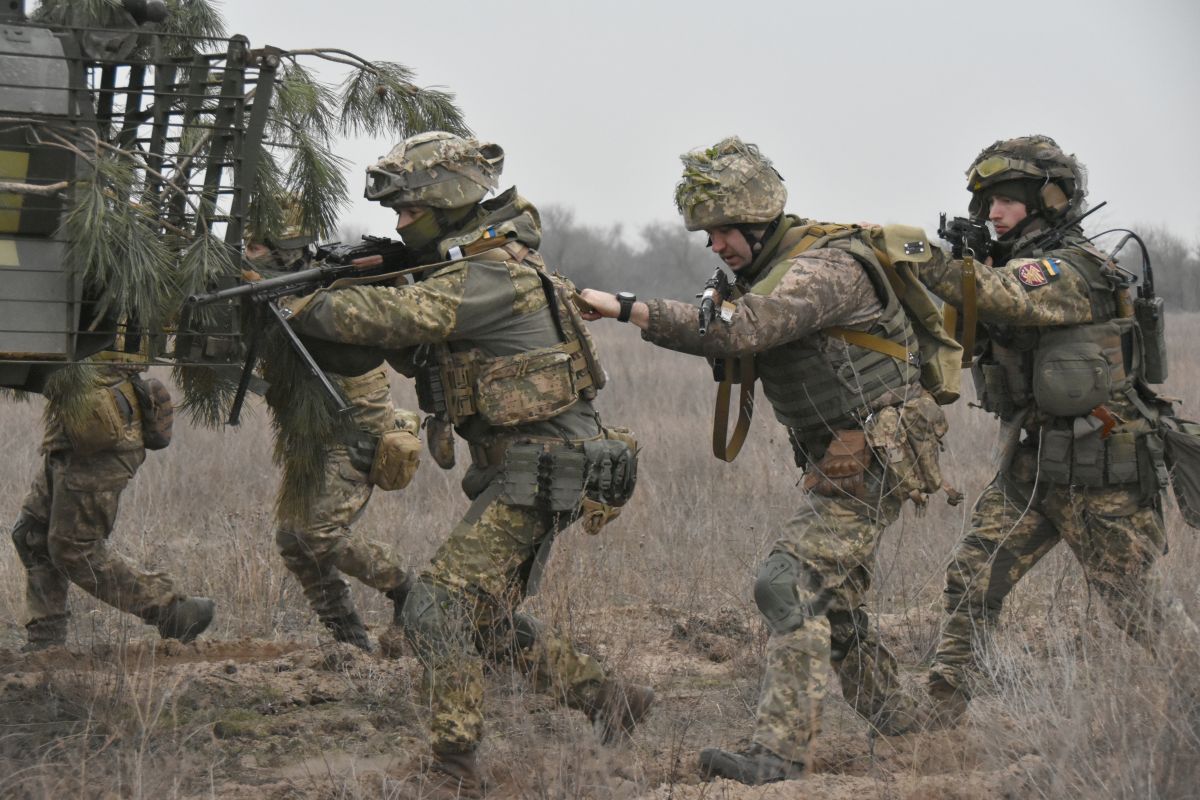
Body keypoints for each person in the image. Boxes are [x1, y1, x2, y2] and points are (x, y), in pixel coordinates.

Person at [281, 131, 651, 797]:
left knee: (435, 606)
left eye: (408, 213)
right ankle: (606, 697)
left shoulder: (491, 274)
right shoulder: (481, 266)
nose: (399, 225)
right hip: (531, 469)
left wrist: (306, 299)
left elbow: (394, 316)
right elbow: (418, 350)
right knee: (482, 619)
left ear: (448, 205)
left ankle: (454, 767)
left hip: (545, 470)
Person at [580, 136, 952, 785]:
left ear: (758, 220)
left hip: (882, 445)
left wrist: (625, 306)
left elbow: (739, 331)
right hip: (842, 451)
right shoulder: (764, 272)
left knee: (788, 582)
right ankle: (899, 721)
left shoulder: (825, 269)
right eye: (707, 234)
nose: (713, 245)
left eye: (722, 231)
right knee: (834, 602)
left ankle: (779, 754)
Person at [919, 135, 1197, 723]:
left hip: (1105, 471)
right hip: (1034, 464)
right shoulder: (1006, 264)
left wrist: (922, 259)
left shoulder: (1072, 269)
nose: (991, 213)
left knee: (1133, 604)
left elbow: (1007, 295)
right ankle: (943, 706)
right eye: (985, 201)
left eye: (1006, 199)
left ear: (1048, 199)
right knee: (972, 575)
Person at [244, 208, 418, 653]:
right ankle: (350, 643)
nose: (248, 254)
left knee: (316, 533)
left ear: (284, 251)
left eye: (257, 246)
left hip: (355, 426)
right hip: (312, 431)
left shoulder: (332, 291)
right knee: (295, 542)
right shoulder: (268, 290)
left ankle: (407, 589)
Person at [10, 357, 214, 650]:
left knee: (74, 548)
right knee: (33, 534)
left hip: (102, 429)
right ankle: (46, 643)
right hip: (75, 428)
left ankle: (172, 610)